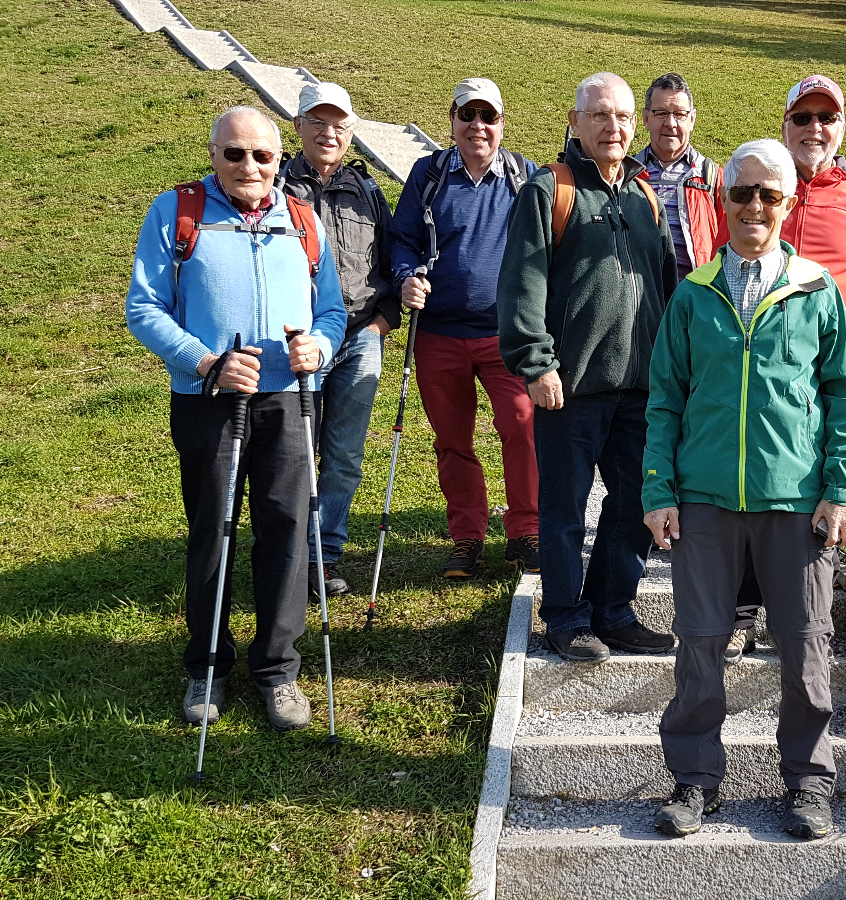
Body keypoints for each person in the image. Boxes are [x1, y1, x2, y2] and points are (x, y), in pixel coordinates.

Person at [643, 139, 846, 841]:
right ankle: (695, 780)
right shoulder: (694, 292)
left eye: (769, 194)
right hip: (705, 500)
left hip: (796, 502)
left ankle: (808, 783)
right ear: (723, 199)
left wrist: (842, 488)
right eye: (741, 192)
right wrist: (658, 490)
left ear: (788, 203)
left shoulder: (816, 289)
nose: (754, 207)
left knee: (805, 650)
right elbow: (664, 400)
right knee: (700, 645)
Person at [126, 106, 346, 730]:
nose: (249, 166)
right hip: (209, 401)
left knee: (287, 531)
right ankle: (207, 666)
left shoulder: (301, 219)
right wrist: (206, 363)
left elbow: (331, 311)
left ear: (279, 160)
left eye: (262, 155)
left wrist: (319, 348)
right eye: (234, 153)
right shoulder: (177, 212)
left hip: (288, 400)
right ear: (213, 154)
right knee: (213, 531)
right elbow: (144, 308)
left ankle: (278, 669)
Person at [497, 73, 679, 662]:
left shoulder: (644, 197)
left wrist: (671, 370)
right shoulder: (549, 190)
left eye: (623, 116)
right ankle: (565, 617)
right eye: (600, 115)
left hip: (640, 388)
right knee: (565, 511)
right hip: (569, 388)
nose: (613, 127)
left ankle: (613, 611)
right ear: (575, 122)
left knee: (631, 507)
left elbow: (666, 289)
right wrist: (536, 363)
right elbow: (521, 285)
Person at [724, 74, 846, 664]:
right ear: (785, 125)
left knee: (819, 495)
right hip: (763, 380)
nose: (814, 129)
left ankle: (801, 614)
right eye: (802, 117)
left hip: (831, 382)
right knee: (753, 490)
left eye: (827, 118)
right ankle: (743, 611)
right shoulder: (758, 189)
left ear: (842, 128)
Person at [389, 77, 541, 579]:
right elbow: (403, 239)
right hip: (439, 333)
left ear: (502, 123)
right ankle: (467, 537)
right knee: (452, 439)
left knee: (522, 427)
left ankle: (525, 532)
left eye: (488, 116)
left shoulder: (524, 176)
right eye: (467, 115)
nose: (477, 125)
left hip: (506, 334)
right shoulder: (429, 173)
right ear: (452, 121)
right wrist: (406, 276)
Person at [276, 82, 401, 597]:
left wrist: (380, 325)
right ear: (298, 126)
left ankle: (323, 556)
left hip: (358, 338)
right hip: (296, 344)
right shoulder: (274, 186)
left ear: (351, 133)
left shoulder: (368, 191)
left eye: (339, 125)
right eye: (318, 123)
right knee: (294, 452)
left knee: (344, 455)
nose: (329, 133)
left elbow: (393, 262)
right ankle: (287, 556)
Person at [635, 72, 726, 279]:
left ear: (692, 119)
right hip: (639, 294)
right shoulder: (627, 175)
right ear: (646, 118)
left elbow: (729, 244)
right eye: (661, 113)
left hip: (695, 293)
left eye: (679, 114)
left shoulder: (712, 178)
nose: (671, 123)